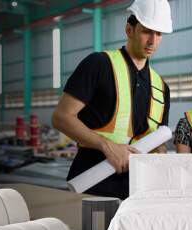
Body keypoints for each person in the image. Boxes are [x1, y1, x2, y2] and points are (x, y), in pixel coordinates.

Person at [52, 0, 173, 199]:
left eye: (159, 34)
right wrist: (107, 146)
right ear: (129, 29)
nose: (153, 40)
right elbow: (61, 117)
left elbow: (157, 140)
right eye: (146, 31)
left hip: (138, 191)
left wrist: (159, 154)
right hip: (93, 184)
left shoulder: (161, 88)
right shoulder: (99, 65)